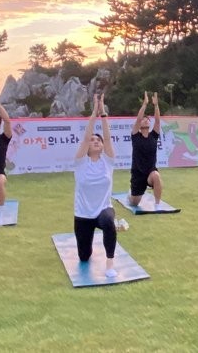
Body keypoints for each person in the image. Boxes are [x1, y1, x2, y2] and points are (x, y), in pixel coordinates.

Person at [73, 93, 118, 278]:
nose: (96, 142)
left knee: (109, 222)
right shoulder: (80, 162)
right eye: (93, 140)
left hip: (102, 210)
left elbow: (107, 138)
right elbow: (85, 138)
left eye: (98, 140)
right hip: (83, 215)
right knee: (84, 257)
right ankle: (87, 249)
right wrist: (93, 112)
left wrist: (103, 113)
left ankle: (110, 264)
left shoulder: (108, 161)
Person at [128, 91, 163, 207]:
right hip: (138, 174)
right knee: (134, 203)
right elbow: (138, 120)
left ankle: (157, 204)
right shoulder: (135, 135)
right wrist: (145, 104)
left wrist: (156, 105)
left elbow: (157, 121)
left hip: (150, 172)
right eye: (144, 118)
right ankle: (131, 195)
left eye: (148, 119)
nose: (145, 119)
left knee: (156, 176)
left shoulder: (154, 135)